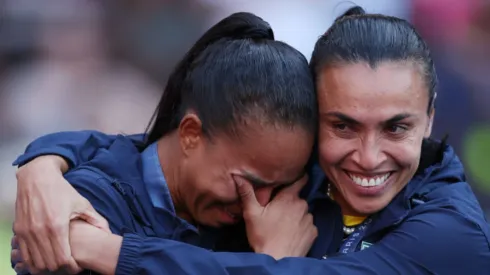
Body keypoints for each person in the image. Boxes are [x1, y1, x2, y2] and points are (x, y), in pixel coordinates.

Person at [12, 6, 490, 275]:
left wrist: (111, 253)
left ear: (429, 118)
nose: (367, 156)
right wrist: (45, 164)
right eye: (342, 126)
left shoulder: (453, 235)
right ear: (315, 119)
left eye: (396, 127)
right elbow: (147, 145)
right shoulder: (299, 175)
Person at [11, 11, 319, 275]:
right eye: (247, 182)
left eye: (278, 189)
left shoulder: (288, 218)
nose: (259, 207)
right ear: (190, 134)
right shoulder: (86, 204)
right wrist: (272, 263)